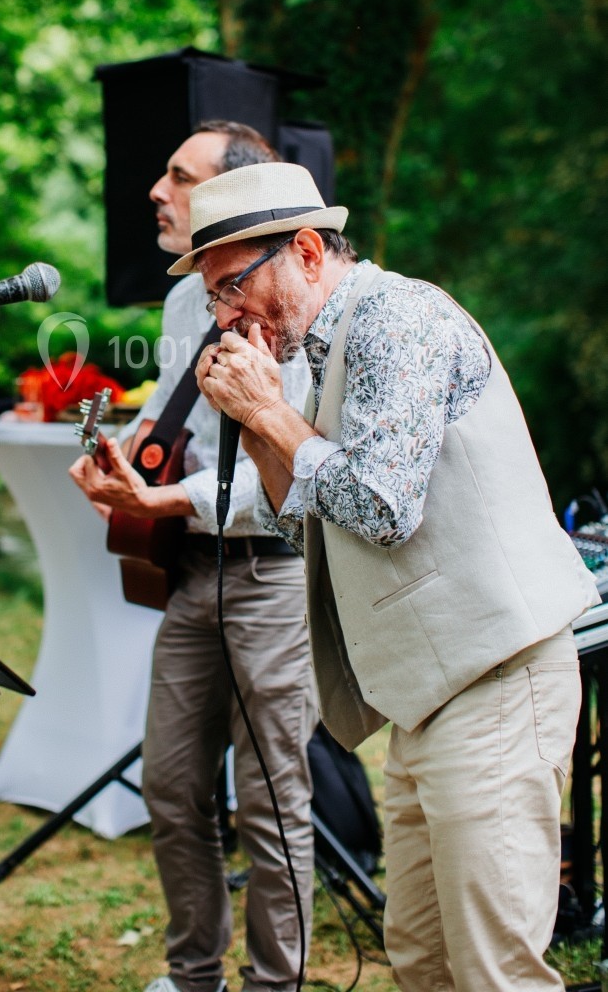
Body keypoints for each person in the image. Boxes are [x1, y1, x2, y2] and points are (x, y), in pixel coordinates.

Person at [177, 160, 601, 992]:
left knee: (494, 972)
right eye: (213, 300)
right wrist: (260, 426)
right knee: (424, 960)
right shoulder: (323, 352)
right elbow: (308, 530)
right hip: (429, 702)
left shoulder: (396, 318)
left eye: (232, 286)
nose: (225, 316)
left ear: (304, 249)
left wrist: (268, 413)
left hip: (498, 682)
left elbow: (379, 506)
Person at [69, 124, 317, 992]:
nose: (156, 191)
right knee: (172, 788)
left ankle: (272, 985)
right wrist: (118, 461)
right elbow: (167, 426)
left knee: (272, 801)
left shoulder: (296, 299)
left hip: (275, 572)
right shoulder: (185, 302)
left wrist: (164, 500)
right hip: (195, 575)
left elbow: (300, 465)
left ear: (232, 197)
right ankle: (193, 976)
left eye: (179, 176)